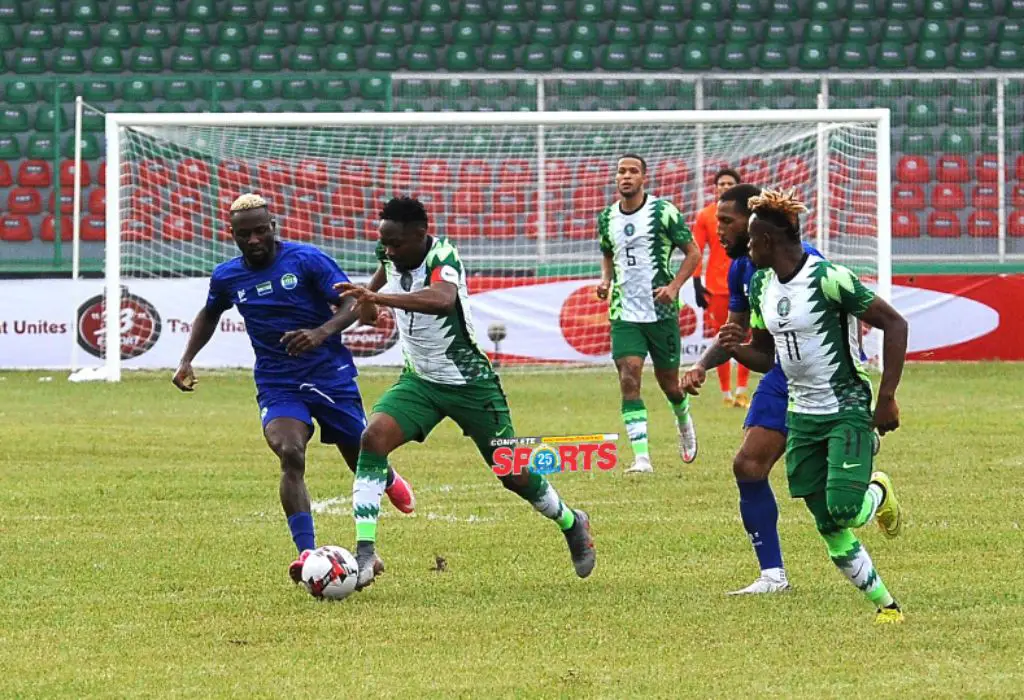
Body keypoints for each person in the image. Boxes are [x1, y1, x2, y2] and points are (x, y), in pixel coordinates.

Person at [336, 196, 596, 590]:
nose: (388, 251)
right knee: (372, 438)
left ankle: (571, 522)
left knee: (512, 473)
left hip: (471, 385)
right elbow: (369, 302)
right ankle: (365, 554)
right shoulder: (389, 255)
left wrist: (379, 299)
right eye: (384, 244)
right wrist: (363, 306)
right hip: (420, 382)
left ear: (420, 234)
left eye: (396, 244)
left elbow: (442, 300)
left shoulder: (443, 255)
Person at [172, 193, 415, 583]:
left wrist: (321, 332)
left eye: (260, 231)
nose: (253, 240)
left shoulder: (306, 260)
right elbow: (211, 312)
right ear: (232, 234)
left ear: (273, 226)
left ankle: (387, 478)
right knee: (289, 452)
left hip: (330, 375)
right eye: (244, 234)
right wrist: (187, 358)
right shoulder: (227, 276)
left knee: (360, 456)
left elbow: (352, 304)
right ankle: (306, 554)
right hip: (278, 381)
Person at [717, 188, 908, 624]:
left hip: (845, 406)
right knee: (827, 522)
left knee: (845, 510)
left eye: (751, 241)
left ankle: (878, 490)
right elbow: (766, 356)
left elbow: (895, 324)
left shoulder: (830, 278)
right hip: (800, 413)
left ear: (767, 241)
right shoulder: (761, 285)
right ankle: (887, 606)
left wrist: (887, 398)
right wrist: (735, 349)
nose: (747, 249)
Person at [683, 183, 822, 595]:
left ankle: (873, 491)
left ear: (754, 223)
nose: (718, 230)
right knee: (748, 466)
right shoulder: (741, 269)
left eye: (727, 221)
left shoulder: (808, 264)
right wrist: (702, 365)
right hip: (781, 376)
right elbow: (742, 336)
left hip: (822, 377)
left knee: (830, 499)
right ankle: (772, 576)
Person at [595, 154, 702, 474]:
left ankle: (683, 420)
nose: (626, 176)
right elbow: (607, 253)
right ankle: (641, 458)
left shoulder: (663, 212)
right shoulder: (607, 217)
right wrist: (605, 280)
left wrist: (674, 287)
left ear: (644, 178)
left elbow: (694, 253)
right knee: (629, 376)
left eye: (633, 171)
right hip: (624, 312)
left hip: (660, 310)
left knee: (670, 384)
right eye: (621, 171)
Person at [691, 168, 751, 408]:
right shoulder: (706, 216)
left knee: (747, 336)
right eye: (721, 184)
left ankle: (742, 391)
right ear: (715, 188)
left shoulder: (746, 217)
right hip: (716, 286)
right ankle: (725, 392)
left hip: (745, 281)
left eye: (729, 183)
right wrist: (696, 281)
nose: (725, 187)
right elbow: (696, 248)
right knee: (723, 338)